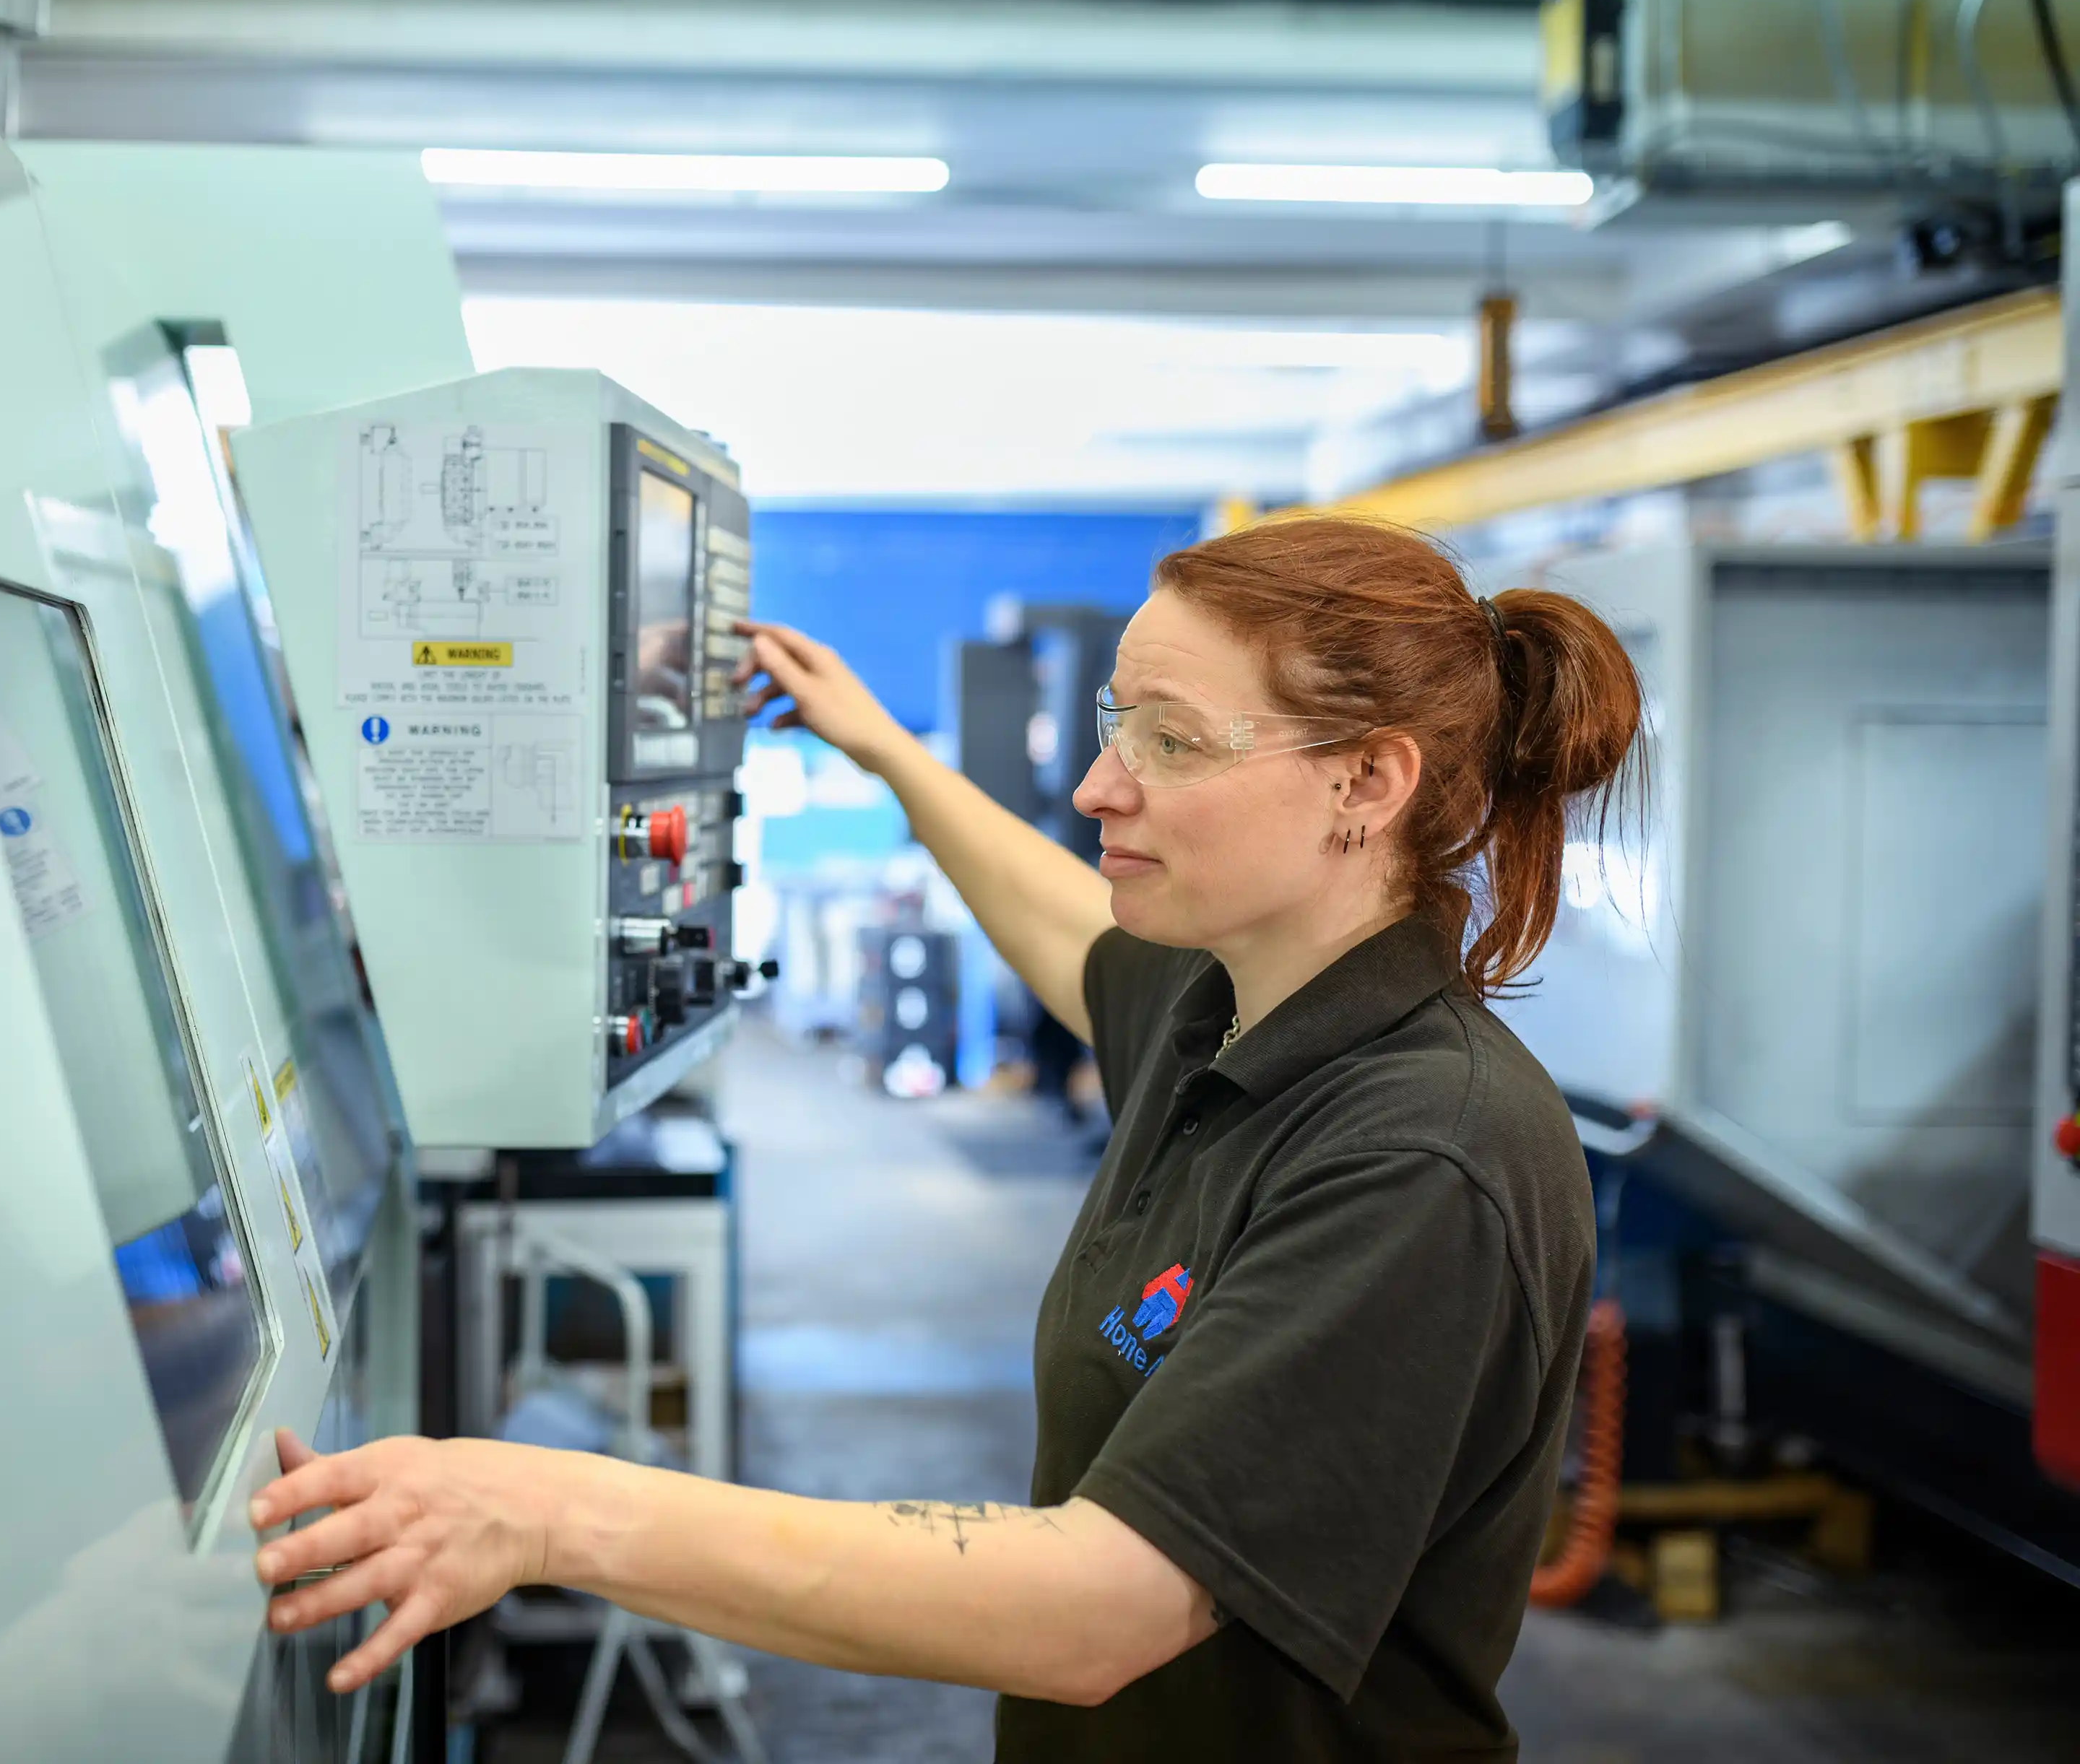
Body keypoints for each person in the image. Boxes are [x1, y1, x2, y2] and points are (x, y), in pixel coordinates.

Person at [248, 513, 1643, 1760]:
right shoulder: (1228, 1006)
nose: (1102, 786)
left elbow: (1100, 1608)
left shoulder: (1421, 1158)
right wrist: (882, 746)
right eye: (1113, 723)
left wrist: (549, 1515)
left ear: (1367, 784)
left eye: (1171, 740)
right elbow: (1064, 926)